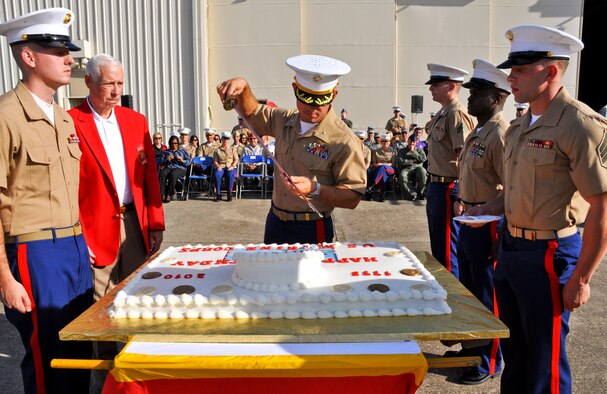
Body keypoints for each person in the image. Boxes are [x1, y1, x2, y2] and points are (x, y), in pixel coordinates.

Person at [465, 25, 607, 393]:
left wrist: (582, 279)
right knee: (517, 357)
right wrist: (485, 209)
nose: (511, 77)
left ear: (551, 70)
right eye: (512, 69)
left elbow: (602, 209)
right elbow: (511, 194)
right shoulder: (519, 126)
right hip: (512, 250)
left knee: (545, 361)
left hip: (550, 255)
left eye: (521, 69)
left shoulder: (579, 125)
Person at [0, 8, 93, 393]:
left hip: (72, 247)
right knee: (48, 355)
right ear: (28, 56)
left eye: (68, 50)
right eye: (58, 50)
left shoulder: (64, 117)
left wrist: (78, 240)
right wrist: (5, 277)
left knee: (80, 349)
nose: (70, 58)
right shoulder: (6, 115)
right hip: (34, 251)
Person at [68, 54, 165, 365]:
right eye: (108, 83)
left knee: (138, 289)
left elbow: (149, 176)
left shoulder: (135, 121)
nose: (115, 90)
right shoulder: (69, 120)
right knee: (103, 297)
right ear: (89, 82)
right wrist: (77, 232)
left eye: (120, 83)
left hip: (135, 220)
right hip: (95, 225)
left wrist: (156, 223)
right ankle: (109, 366)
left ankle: (138, 355)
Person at [217, 54, 366, 243]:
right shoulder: (284, 120)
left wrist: (315, 189)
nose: (312, 108)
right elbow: (252, 113)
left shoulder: (344, 140)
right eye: (306, 98)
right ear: (295, 88)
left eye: (320, 100)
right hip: (276, 223)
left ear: (334, 95)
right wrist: (244, 87)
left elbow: (352, 196)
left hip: (312, 227)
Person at [452, 59, 510, 385]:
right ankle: (473, 349)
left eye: (478, 93)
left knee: (488, 298)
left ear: (497, 98)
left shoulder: (500, 133)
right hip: (471, 219)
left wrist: (500, 232)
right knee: (472, 293)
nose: (470, 98)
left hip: (489, 223)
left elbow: (508, 188)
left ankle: (490, 360)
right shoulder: (479, 130)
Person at [424, 63, 474, 278]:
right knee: (438, 245)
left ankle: (453, 295)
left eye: (436, 84)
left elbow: (464, 157)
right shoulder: (443, 113)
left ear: (451, 86)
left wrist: (462, 196)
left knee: (447, 248)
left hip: (449, 186)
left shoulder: (456, 114)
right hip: (437, 184)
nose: (430, 88)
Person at [159, 135, 190, 202]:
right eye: (172, 143)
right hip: (169, 167)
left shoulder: (183, 151)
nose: (174, 145)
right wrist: (166, 159)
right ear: (170, 143)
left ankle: (169, 194)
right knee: (162, 173)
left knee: (173, 174)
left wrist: (182, 160)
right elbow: (162, 163)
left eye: (176, 143)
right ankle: (162, 194)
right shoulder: (166, 152)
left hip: (180, 168)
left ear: (178, 143)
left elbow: (189, 162)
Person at [396, 134, 427, 201]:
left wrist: (414, 152)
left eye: (414, 142)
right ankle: (413, 193)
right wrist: (414, 161)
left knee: (423, 172)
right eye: (410, 141)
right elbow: (401, 162)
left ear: (416, 143)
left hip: (418, 168)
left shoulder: (419, 150)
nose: (412, 143)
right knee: (402, 175)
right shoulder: (402, 151)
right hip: (407, 168)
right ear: (408, 141)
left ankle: (421, 192)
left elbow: (423, 159)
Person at [369, 134, 397, 202]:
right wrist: (379, 165)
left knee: (383, 167)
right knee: (383, 175)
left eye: (387, 142)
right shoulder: (376, 152)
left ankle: (373, 184)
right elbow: (374, 164)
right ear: (381, 142)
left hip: (390, 170)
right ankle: (382, 195)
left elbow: (392, 164)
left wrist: (381, 164)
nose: (385, 143)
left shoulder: (393, 152)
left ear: (389, 142)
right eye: (384, 142)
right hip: (380, 170)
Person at [213, 131, 239, 202]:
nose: (225, 140)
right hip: (221, 166)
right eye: (224, 139)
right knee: (216, 174)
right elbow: (215, 160)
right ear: (221, 139)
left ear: (229, 140)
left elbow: (236, 159)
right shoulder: (217, 150)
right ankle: (218, 194)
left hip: (230, 166)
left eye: (227, 139)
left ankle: (229, 194)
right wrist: (218, 166)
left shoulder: (233, 149)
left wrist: (232, 166)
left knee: (230, 175)